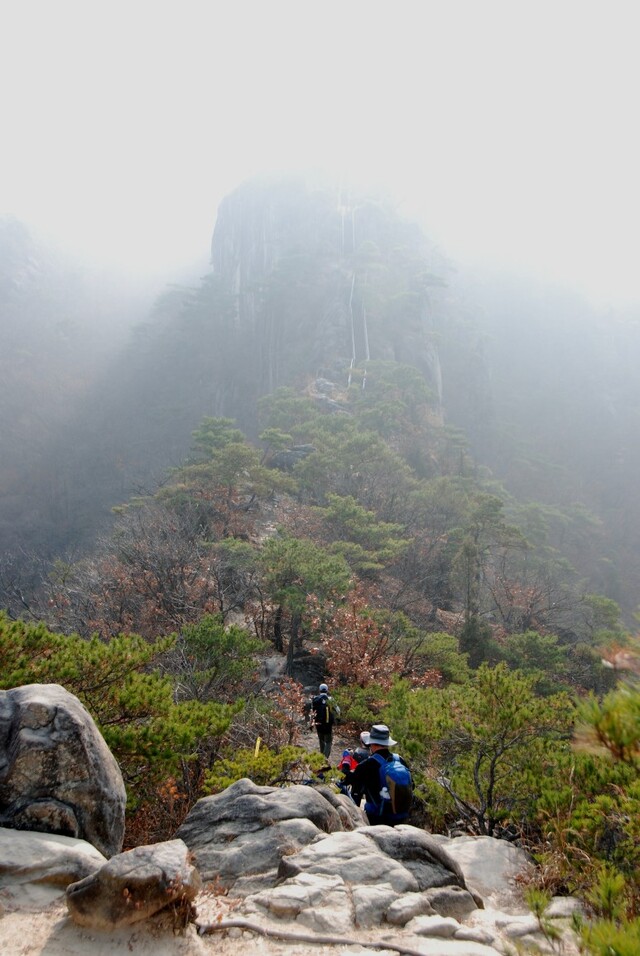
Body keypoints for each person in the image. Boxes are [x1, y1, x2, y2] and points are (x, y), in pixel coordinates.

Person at [343, 723, 413, 826]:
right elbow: (412, 785)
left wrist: (346, 760)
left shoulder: (368, 764)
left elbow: (345, 779)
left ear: (372, 743)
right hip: (400, 818)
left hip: (377, 819)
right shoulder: (399, 760)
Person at [310, 682, 340, 758]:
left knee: (321, 740)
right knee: (328, 742)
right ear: (327, 690)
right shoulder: (330, 699)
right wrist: (337, 719)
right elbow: (338, 710)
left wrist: (311, 723)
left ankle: (321, 757)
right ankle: (325, 758)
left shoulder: (315, 699)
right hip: (328, 724)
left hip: (318, 724)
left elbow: (312, 712)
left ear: (319, 690)